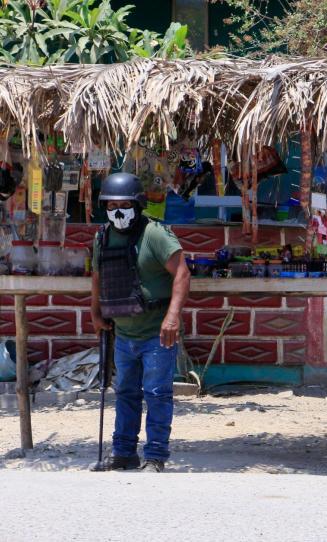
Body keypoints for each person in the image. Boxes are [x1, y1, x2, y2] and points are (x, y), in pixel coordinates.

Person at [90, 172, 191, 473]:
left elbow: (182, 273)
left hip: (157, 333)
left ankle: (155, 455)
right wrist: (95, 313)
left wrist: (172, 316)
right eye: (111, 206)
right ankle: (123, 453)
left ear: (137, 204)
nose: (118, 212)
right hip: (123, 332)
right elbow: (97, 277)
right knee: (125, 393)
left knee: (157, 393)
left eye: (124, 205)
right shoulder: (102, 237)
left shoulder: (155, 234)